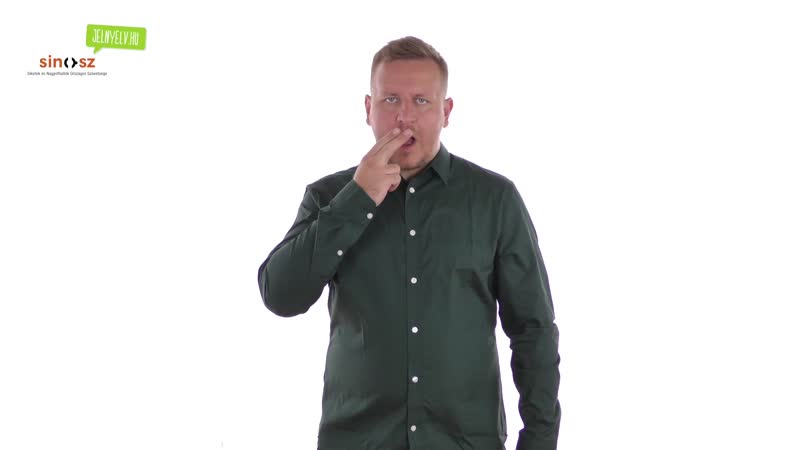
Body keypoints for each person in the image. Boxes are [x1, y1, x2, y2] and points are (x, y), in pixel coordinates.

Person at [258, 36, 561, 450]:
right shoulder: (328, 197)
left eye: (421, 101)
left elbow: (533, 330)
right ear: (368, 108)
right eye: (390, 100)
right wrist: (356, 200)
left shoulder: (495, 199)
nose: (404, 117)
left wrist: (539, 441)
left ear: (446, 112)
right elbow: (280, 296)